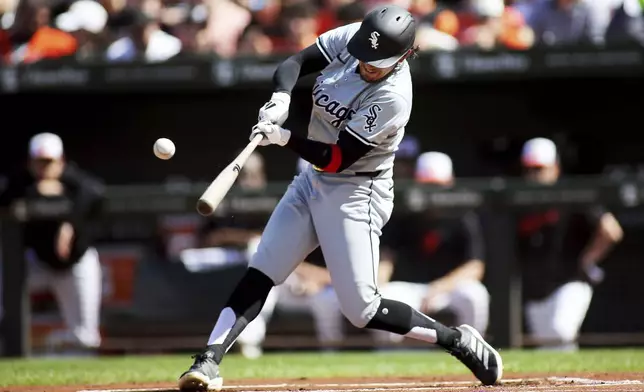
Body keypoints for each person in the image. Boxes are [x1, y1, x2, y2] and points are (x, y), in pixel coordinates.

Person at [178, 6, 502, 391]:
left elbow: (336, 159)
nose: (366, 64)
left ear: (403, 57)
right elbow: (295, 62)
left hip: (356, 191)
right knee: (263, 268)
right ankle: (209, 360)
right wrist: (281, 98)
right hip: (312, 180)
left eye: (376, 62)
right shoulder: (358, 38)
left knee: (361, 310)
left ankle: (457, 341)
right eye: (364, 55)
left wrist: (284, 139)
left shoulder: (394, 97)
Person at [0, 132, 104, 352]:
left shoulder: (76, 182)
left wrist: (68, 222)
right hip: (37, 262)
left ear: (61, 161)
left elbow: (96, 193)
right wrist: (33, 194)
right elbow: (5, 198)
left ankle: (55, 344)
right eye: (39, 162)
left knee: (86, 338)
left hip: (75, 263)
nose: (44, 168)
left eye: (49, 162)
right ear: (30, 162)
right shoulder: (20, 182)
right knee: (5, 268)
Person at [517, 137, 623, 350]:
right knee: (549, 348)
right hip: (536, 289)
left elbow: (611, 230)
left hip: (570, 282)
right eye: (528, 170)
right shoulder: (518, 201)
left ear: (555, 168)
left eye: (539, 169)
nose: (533, 176)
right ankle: (564, 384)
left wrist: (588, 258)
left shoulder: (572, 193)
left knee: (560, 331)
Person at [375, 152, 489, 345]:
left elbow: (475, 267)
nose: (432, 191)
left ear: (449, 183)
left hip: (447, 288)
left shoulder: (463, 215)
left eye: (437, 185)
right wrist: (377, 285)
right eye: (427, 185)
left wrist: (439, 287)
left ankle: (473, 349)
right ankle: (388, 357)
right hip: (410, 287)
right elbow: (387, 256)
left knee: (476, 295)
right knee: (380, 301)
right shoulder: (405, 211)